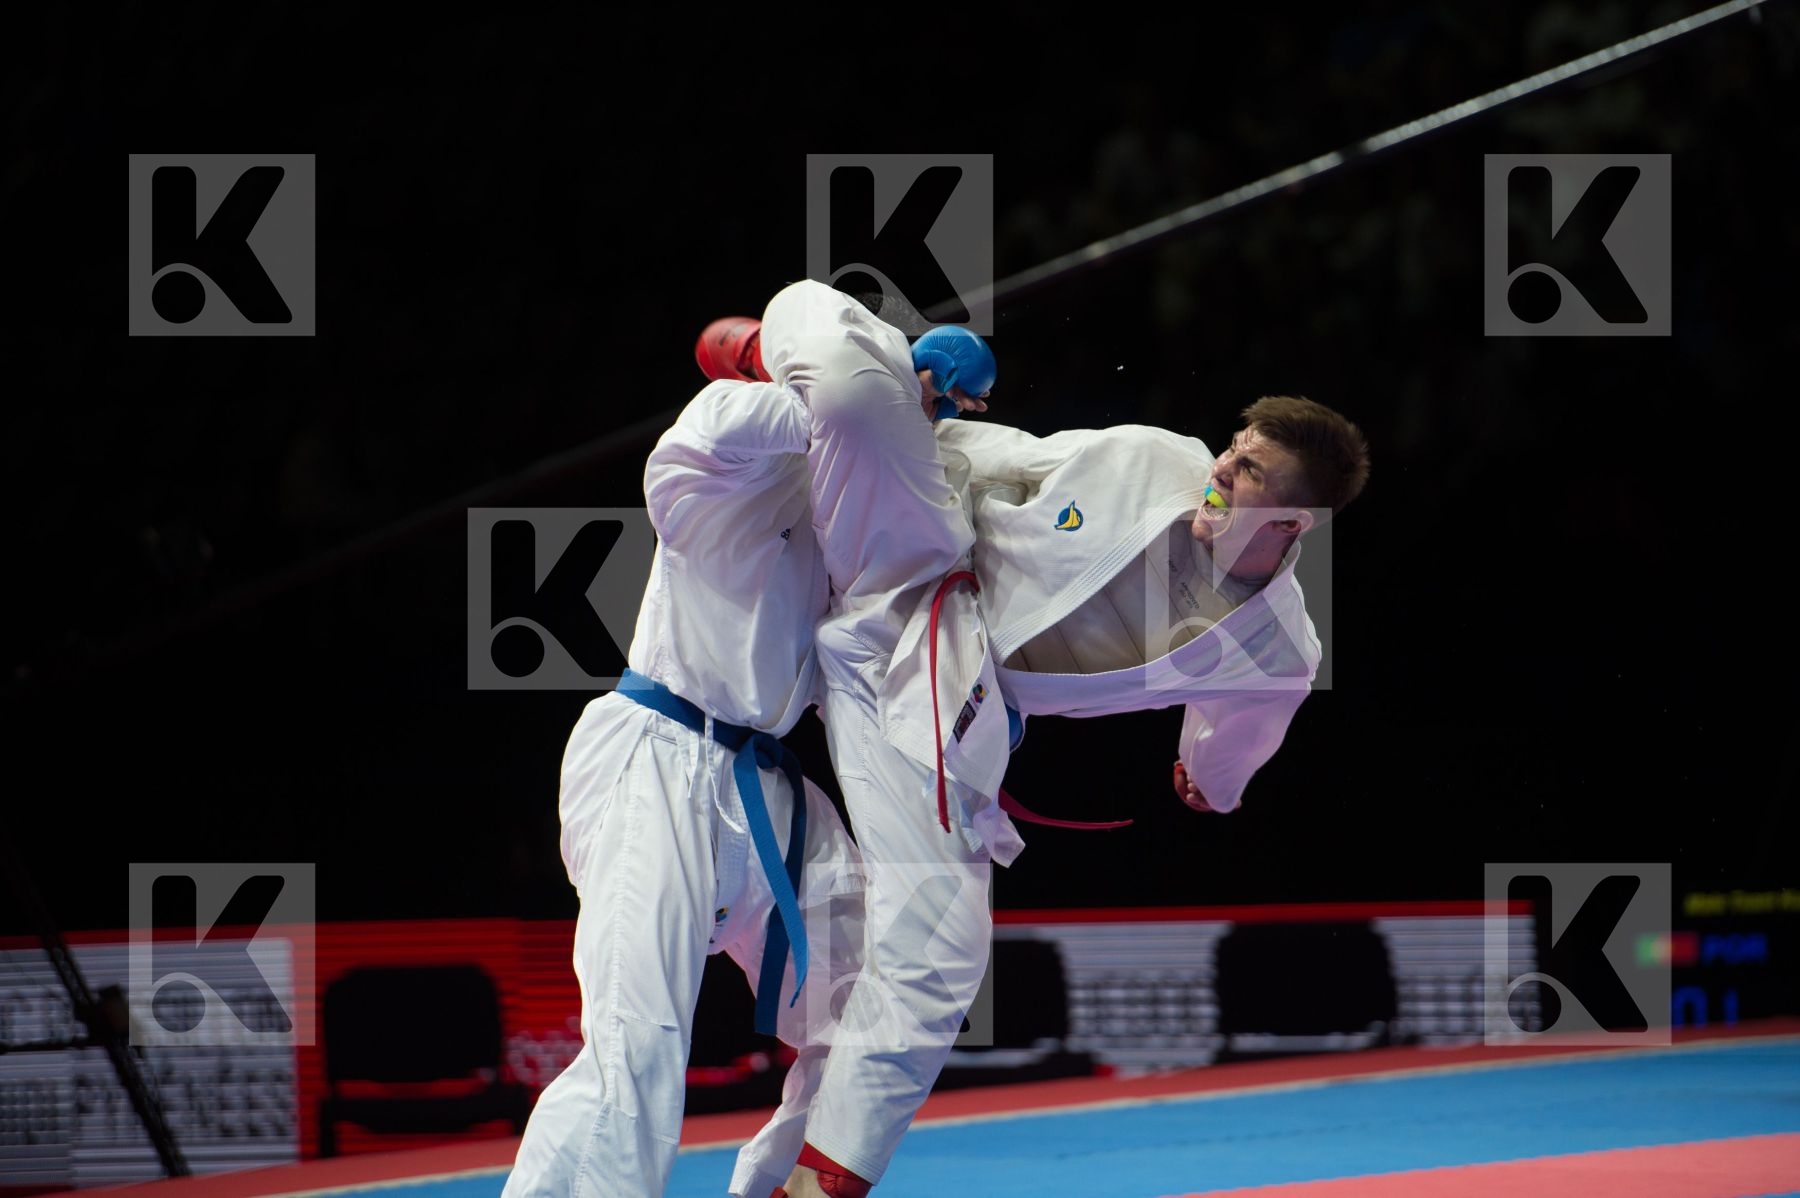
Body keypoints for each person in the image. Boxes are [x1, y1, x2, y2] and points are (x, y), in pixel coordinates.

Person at [499, 357, 869, 1198]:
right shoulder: (712, 456)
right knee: (638, 1049)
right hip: (659, 758)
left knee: (872, 1007)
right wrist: (877, 385)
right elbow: (795, 412)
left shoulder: (851, 514)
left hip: (766, 787)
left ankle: (778, 1188)